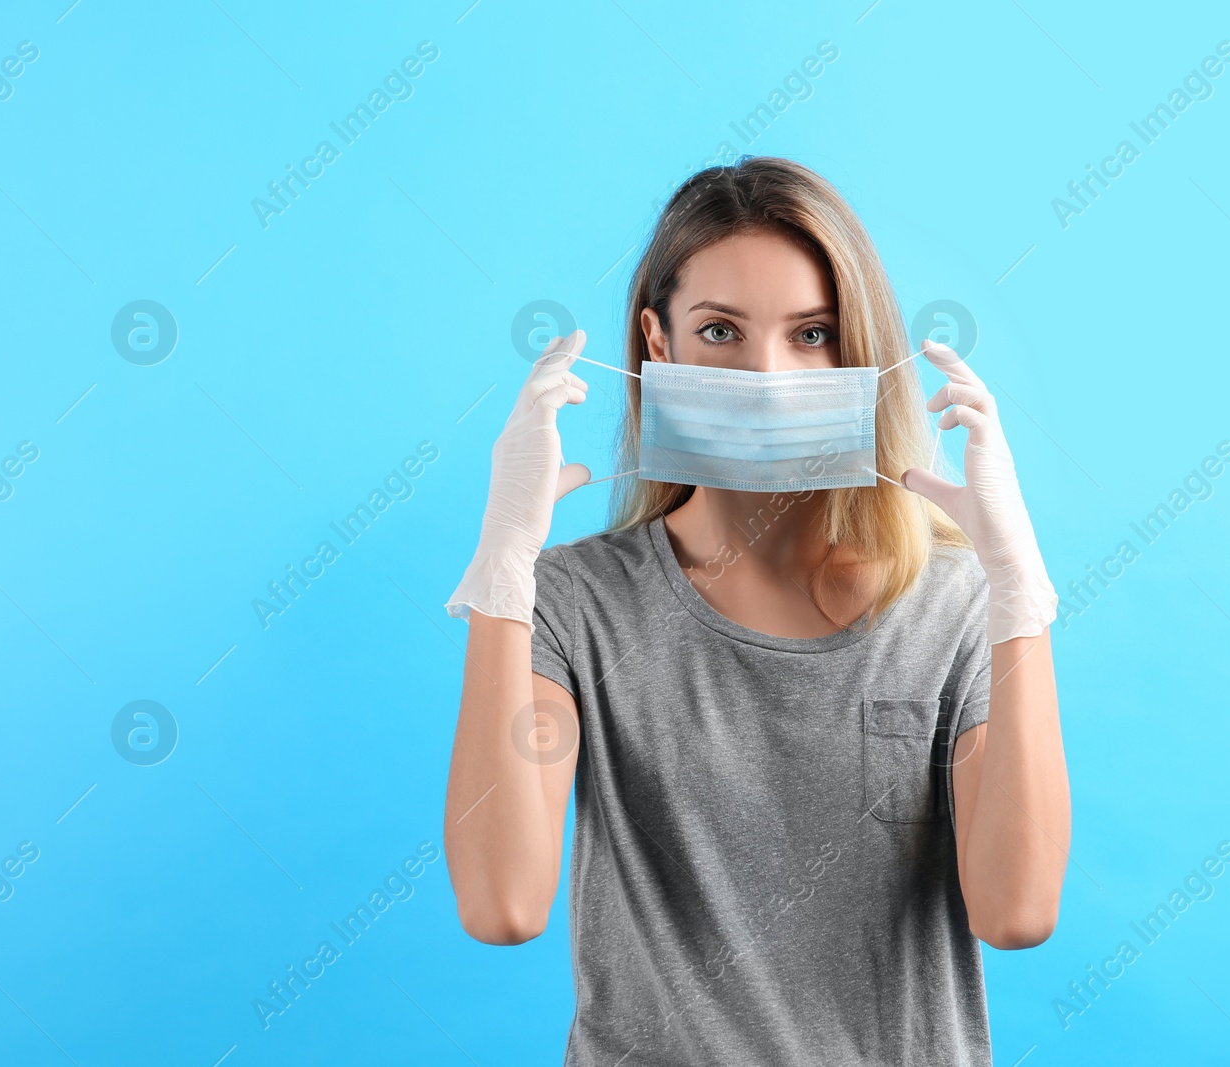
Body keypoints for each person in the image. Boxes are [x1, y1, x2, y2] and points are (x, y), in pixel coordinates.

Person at [442, 156, 1070, 1065]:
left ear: (858, 347)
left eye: (811, 334)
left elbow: (1017, 911)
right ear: (657, 342)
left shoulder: (953, 607)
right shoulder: (573, 607)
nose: (770, 378)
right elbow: (501, 905)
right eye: (721, 330)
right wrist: (504, 569)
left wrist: (1017, 592)